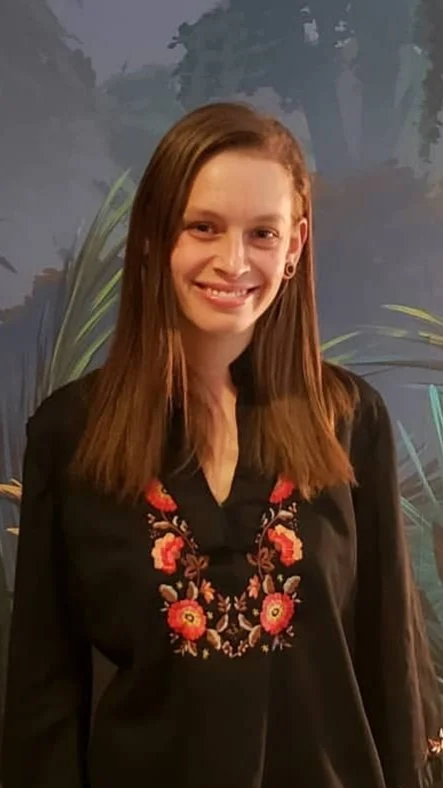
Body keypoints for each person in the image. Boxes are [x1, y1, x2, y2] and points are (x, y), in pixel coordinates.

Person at [2, 101, 442, 788]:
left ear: (294, 247)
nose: (232, 261)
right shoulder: (71, 434)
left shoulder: (353, 421)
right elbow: (42, 701)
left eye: (261, 233)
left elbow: (391, 672)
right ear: (154, 236)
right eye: (203, 226)